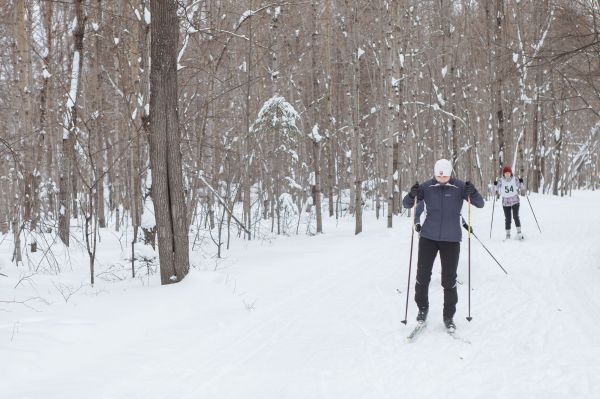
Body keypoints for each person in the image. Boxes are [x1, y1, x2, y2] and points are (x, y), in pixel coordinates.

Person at [402, 159, 484, 331]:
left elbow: (480, 204)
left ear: (450, 173)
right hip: (428, 237)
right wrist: (411, 194)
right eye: (439, 176)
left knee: (449, 279)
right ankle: (422, 309)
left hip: (451, 239)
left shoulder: (460, 187)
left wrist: (473, 191)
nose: (441, 179)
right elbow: (407, 204)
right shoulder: (426, 187)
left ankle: (448, 316)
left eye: (445, 175)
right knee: (422, 276)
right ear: (434, 174)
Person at [493, 165, 524, 240]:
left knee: (516, 217)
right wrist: (495, 184)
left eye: (508, 173)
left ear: (511, 173)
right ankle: (508, 234)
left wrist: (521, 182)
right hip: (505, 203)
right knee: (508, 219)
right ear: (503, 174)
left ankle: (519, 232)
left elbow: (522, 188)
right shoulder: (501, 180)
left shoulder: (515, 179)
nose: (507, 174)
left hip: (515, 201)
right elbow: (494, 190)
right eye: (505, 173)